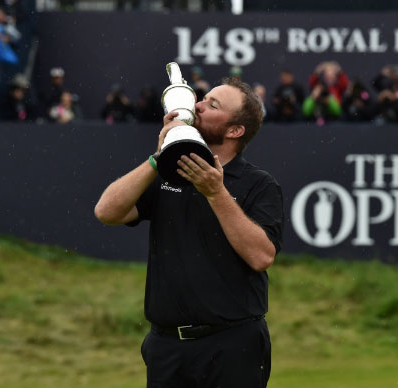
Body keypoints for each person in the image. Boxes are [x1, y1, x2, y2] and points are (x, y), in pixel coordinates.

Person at [94, 77, 283, 388]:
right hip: (167, 346)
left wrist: (216, 193)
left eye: (212, 105)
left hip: (233, 345)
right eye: (203, 99)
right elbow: (106, 212)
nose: (198, 105)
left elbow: (261, 256)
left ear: (234, 131)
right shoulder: (168, 169)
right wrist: (158, 157)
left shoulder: (259, 184)